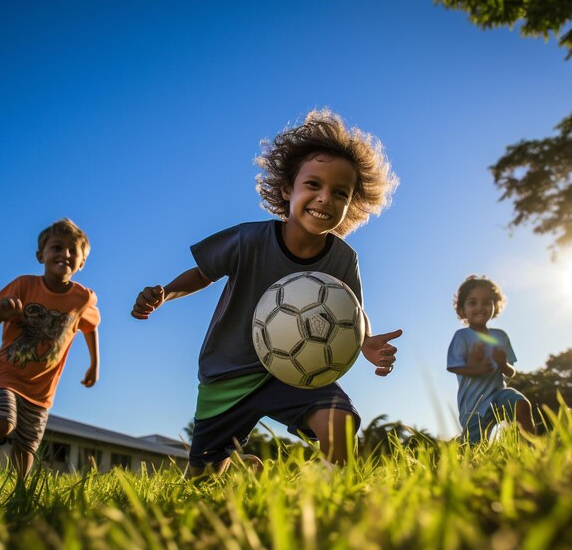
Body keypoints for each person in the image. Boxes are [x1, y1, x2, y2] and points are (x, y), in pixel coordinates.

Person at [132, 109, 403, 476]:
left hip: (299, 371)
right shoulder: (248, 240)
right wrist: (166, 292)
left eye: (340, 193)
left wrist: (366, 340)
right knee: (201, 481)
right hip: (228, 373)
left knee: (340, 424)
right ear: (286, 190)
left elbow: (351, 311)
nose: (325, 198)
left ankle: (320, 498)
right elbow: (203, 272)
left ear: (351, 203)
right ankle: (240, 469)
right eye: (313, 185)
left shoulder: (343, 259)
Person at [0, 218, 100, 476]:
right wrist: (0, 311)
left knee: (26, 447)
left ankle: (19, 496)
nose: (65, 254)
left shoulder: (82, 298)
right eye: (57, 247)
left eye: (73, 251)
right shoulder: (24, 285)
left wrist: (94, 364)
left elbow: (91, 327)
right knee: (2, 424)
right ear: (40, 255)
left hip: (42, 390)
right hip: (7, 375)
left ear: (81, 263)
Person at [447, 275, 534, 443]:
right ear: (462, 309)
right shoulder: (462, 336)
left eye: (487, 302)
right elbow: (454, 366)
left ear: (495, 305)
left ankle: (532, 450)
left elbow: (510, 372)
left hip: (499, 394)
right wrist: (476, 368)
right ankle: (460, 446)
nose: (480, 307)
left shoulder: (500, 336)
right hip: (474, 405)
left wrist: (502, 363)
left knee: (522, 405)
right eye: (473, 302)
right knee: (475, 446)